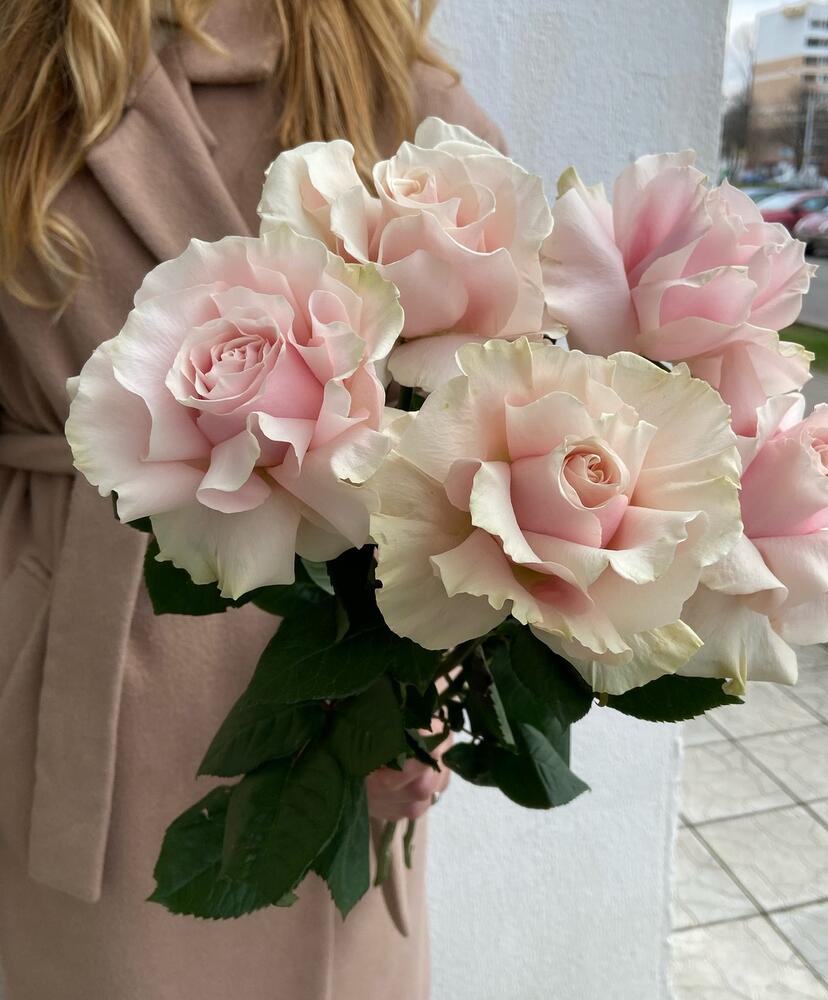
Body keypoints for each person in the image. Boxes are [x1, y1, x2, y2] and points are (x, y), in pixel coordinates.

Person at [0, 1, 505, 997]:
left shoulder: (385, 77)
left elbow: (492, 418)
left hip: (338, 679)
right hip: (69, 662)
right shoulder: (24, 62)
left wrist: (430, 691)